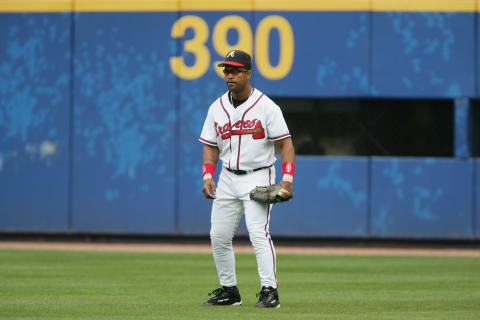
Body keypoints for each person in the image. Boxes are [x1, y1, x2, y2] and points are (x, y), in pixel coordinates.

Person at [199, 50, 296, 308]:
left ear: (248, 73)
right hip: (228, 176)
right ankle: (230, 291)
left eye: (234, 70)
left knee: (258, 233)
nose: (229, 75)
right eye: (226, 70)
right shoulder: (216, 108)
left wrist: (287, 178)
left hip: (259, 175)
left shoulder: (266, 107)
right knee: (218, 235)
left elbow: (286, 145)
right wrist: (208, 174)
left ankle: (269, 291)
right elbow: (210, 145)